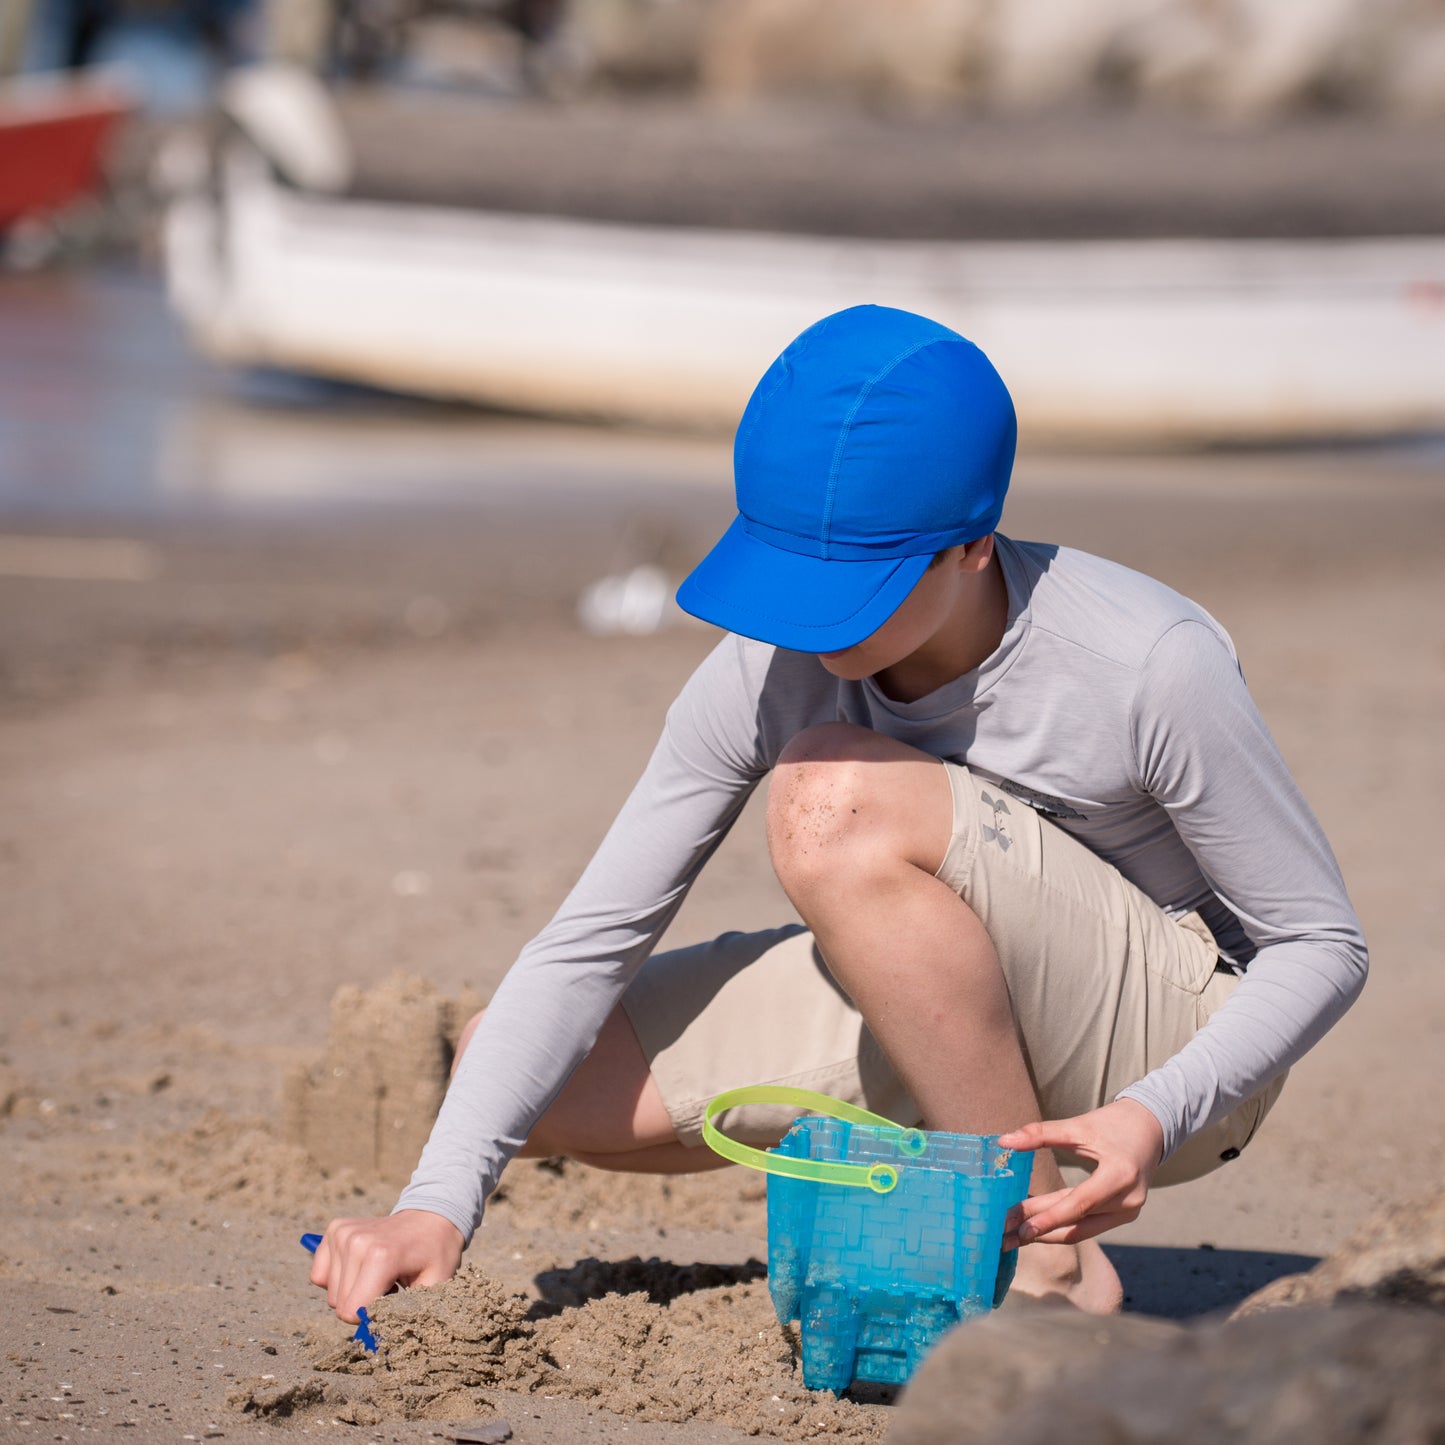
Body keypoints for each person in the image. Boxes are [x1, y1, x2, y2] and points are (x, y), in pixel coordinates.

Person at [311, 304, 1366, 1320]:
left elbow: (1320, 943)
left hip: (1172, 1056)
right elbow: (588, 941)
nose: (805, 618)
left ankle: (1046, 1256)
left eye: (851, 579)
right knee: (516, 1071)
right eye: (789, 569)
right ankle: (944, 1126)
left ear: (970, 544)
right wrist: (433, 1205)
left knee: (830, 795)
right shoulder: (765, 667)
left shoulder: (1144, 660)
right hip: (954, 1003)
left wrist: (1153, 1109)